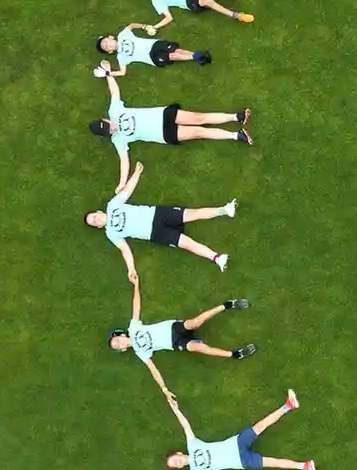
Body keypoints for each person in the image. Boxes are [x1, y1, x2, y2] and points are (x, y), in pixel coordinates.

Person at [88, 70, 249, 190]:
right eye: (109, 131)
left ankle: (236, 117)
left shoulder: (115, 111)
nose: (112, 128)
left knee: (199, 117)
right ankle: (236, 135)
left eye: (109, 125)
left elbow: (114, 92)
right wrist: (122, 183)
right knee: (199, 132)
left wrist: (108, 74)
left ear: (105, 119)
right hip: (164, 134)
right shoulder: (118, 140)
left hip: (163, 115)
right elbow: (124, 161)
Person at [85, 163, 236, 274]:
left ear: (99, 211)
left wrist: (136, 173)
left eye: (94, 216)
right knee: (187, 244)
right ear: (99, 227)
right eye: (94, 222)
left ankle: (225, 210)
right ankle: (217, 258)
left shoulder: (112, 205)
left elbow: (127, 191)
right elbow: (125, 250)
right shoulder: (111, 233)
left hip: (157, 214)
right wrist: (131, 269)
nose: (96, 219)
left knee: (193, 214)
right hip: (154, 234)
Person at [160, 384, 316, 470]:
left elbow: (185, 425)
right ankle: (305, 466)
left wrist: (175, 409)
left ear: (179, 453)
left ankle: (288, 406)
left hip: (236, 443)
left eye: (175, 460)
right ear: (180, 468)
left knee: (260, 426)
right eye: (175, 465)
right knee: (272, 462)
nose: (177, 463)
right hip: (241, 461)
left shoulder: (193, 445)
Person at [109, 277, 254, 367]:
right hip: (174, 343)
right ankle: (235, 354)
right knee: (198, 347)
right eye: (117, 346)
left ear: (121, 335)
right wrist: (165, 390)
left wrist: (136, 285)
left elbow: (136, 306)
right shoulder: (140, 352)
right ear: (123, 349)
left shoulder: (133, 328)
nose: (118, 343)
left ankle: (228, 304)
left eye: (116, 341)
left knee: (195, 322)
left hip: (172, 328)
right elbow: (152, 369)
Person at [96, 22, 208, 74]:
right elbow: (122, 72)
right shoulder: (121, 57)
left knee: (177, 50)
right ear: (110, 51)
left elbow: (131, 26)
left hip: (154, 44)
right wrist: (108, 73)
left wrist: (145, 27)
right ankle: (197, 56)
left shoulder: (122, 35)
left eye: (106, 42)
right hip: (152, 58)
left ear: (110, 37)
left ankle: (198, 56)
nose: (108, 44)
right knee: (172, 56)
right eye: (106, 47)